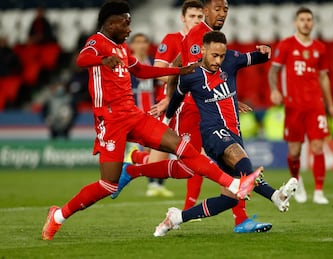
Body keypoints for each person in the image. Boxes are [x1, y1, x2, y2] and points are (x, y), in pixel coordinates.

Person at [41, 1, 260, 241]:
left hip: (133, 115)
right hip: (110, 121)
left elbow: (142, 71)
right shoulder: (97, 43)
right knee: (108, 184)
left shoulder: (123, 49)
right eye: (126, 23)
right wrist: (102, 61)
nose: (129, 29)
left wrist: (179, 72)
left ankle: (234, 184)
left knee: (182, 147)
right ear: (110, 23)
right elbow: (82, 59)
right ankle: (59, 215)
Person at [153, 31, 298, 236]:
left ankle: (176, 217)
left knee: (229, 198)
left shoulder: (231, 59)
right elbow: (176, 97)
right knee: (242, 162)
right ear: (203, 50)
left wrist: (265, 51)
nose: (218, 60)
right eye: (214, 55)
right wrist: (167, 120)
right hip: (212, 132)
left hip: (233, 132)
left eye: (221, 56)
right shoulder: (191, 74)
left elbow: (257, 57)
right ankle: (275, 195)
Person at [149, 0, 269, 233]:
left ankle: (235, 219)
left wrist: (228, 97)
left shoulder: (205, 36)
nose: (222, 13)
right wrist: (169, 98)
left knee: (216, 168)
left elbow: (179, 67)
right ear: (204, 12)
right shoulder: (199, 36)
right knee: (196, 165)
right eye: (218, 9)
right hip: (198, 110)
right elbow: (192, 74)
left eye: (226, 9)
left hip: (207, 107)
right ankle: (136, 170)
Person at [127, 0, 204, 199]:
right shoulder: (171, 39)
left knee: (194, 157)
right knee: (175, 161)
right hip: (172, 104)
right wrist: (183, 76)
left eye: (200, 17)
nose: (196, 20)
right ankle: (136, 158)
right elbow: (159, 73)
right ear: (183, 18)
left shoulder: (207, 41)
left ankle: (189, 208)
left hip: (195, 105)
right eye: (192, 16)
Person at [267, 7, 333, 205]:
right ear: (296, 23)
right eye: (302, 19)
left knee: (317, 146)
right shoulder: (287, 45)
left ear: (313, 23)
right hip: (293, 106)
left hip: (315, 105)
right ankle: (296, 181)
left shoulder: (320, 48)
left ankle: (319, 191)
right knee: (294, 152)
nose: (306, 23)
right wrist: (274, 90)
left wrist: (330, 105)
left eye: (309, 19)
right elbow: (273, 72)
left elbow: (324, 78)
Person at [128, 32, 174, 197]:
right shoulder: (127, 64)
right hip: (136, 115)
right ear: (131, 45)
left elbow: (160, 85)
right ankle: (152, 183)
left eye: (144, 41)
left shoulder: (152, 63)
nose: (141, 45)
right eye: (138, 42)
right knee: (151, 148)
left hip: (154, 112)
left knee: (163, 148)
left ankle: (157, 183)